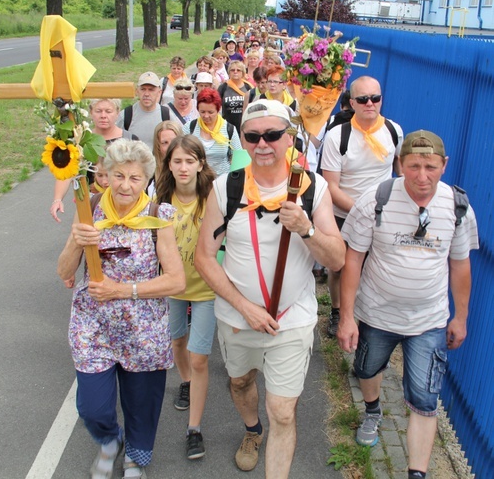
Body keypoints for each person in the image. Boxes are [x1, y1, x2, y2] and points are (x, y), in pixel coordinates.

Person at [195, 100, 345, 477]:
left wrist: (307, 229)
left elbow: (338, 259)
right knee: (241, 381)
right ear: (242, 140)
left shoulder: (313, 188)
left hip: (290, 319)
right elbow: (204, 258)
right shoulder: (225, 187)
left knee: (282, 411)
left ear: (289, 138)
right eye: (253, 136)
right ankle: (251, 429)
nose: (263, 144)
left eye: (274, 135)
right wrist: (244, 307)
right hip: (237, 317)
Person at [337, 130, 478, 479]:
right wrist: (347, 316)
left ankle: (417, 472)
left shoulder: (457, 206)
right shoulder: (376, 199)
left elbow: (460, 265)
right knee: (367, 369)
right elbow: (352, 259)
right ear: (400, 164)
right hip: (376, 313)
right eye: (414, 165)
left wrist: (461, 317)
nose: (422, 176)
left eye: (430, 166)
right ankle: (372, 410)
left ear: (444, 166)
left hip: (428, 320)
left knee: (425, 398)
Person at [57, 138, 186, 479]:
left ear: (147, 180)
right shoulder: (90, 206)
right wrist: (77, 240)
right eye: (118, 176)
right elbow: (64, 272)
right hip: (92, 326)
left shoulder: (159, 216)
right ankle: (110, 440)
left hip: (143, 329)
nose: (125, 185)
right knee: (92, 406)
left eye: (134, 178)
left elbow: (176, 281)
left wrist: (121, 289)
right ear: (105, 176)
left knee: (141, 406)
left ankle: (135, 458)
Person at [320, 76, 403, 338]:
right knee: (339, 266)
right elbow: (331, 186)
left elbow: (398, 168)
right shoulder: (338, 136)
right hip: (344, 213)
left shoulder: (394, 131)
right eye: (363, 99)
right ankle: (337, 311)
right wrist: (361, 209)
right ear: (352, 103)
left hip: (381, 215)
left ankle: (365, 319)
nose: (370, 104)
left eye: (375, 98)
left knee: (374, 269)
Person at [156, 135, 217, 460]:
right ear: (168, 164)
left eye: (189, 161)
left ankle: (194, 429)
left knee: (200, 357)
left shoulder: (213, 196)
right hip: (172, 286)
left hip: (206, 287)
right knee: (177, 342)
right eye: (176, 161)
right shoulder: (160, 196)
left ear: (200, 164)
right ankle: (184, 380)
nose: (183, 167)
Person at [50, 98, 124, 222]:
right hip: (89, 203)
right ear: (91, 112)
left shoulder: (129, 139)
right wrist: (57, 199)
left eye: (108, 111)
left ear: (117, 113)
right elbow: (67, 172)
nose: (103, 116)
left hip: (121, 204)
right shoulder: (80, 140)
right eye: (98, 111)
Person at [183, 88, 242, 176]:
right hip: (196, 181)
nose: (206, 116)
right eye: (202, 112)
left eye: (210, 112)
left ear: (218, 110)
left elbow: (239, 159)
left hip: (222, 181)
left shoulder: (229, 129)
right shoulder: (189, 128)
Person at [116, 71, 175, 149]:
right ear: (137, 91)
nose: (146, 94)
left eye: (151, 90)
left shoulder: (167, 115)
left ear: (159, 92)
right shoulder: (125, 115)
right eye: (143, 89)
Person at [146, 121, 184, 200]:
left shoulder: (190, 170)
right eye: (165, 143)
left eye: (174, 141)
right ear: (158, 146)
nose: (171, 147)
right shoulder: (150, 174)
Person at [218, 60, 253, 134]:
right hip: (227, 126)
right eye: (232, 70)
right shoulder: (223, 87)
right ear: (229, 72)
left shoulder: (248, 87)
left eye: (238, 70)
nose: (235, 72)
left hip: (245, 125)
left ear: (243, 73)